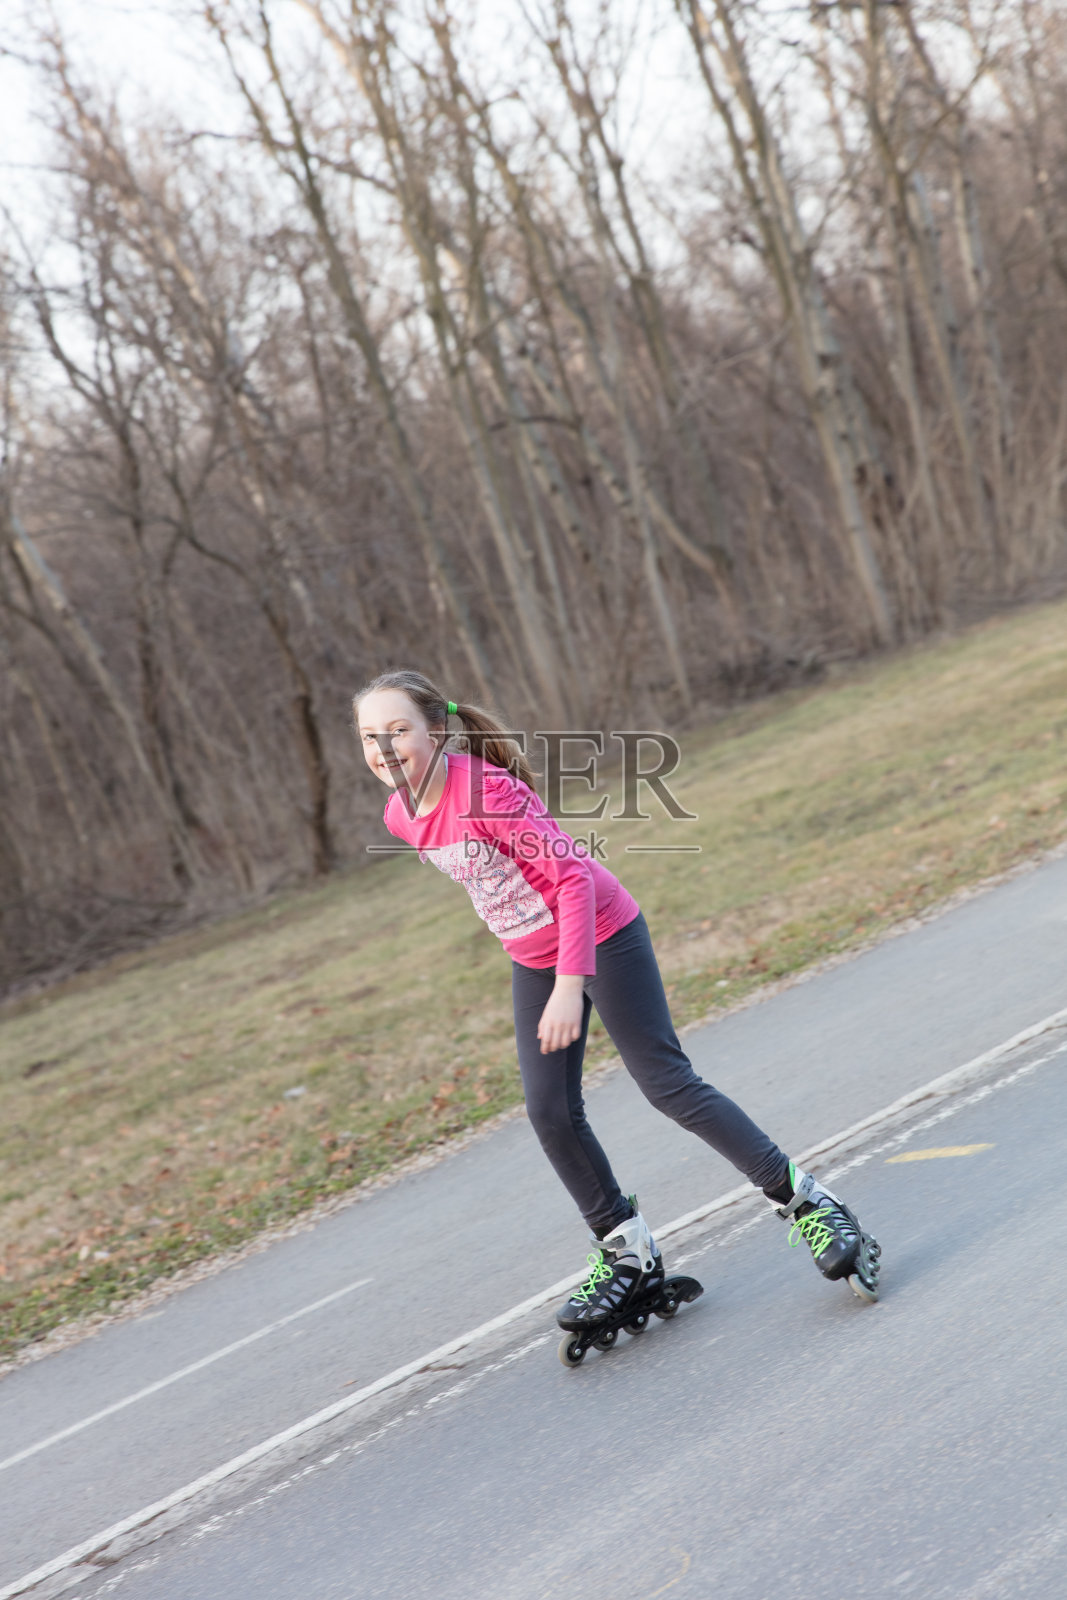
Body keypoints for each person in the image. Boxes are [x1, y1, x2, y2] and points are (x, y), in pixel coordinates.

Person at [355, 669, 880, 1332]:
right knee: (548, 1112)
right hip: (534, 955)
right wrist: (542, 965)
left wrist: (570, 985)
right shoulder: (400, 815)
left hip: (600, 931)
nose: (384, 746)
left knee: (666, 1085)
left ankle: (806, 1202)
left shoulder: (487, 791)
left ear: (433, 728)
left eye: (397, 729)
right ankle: (626, 1251)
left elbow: (570, 879)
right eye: (370, 736)